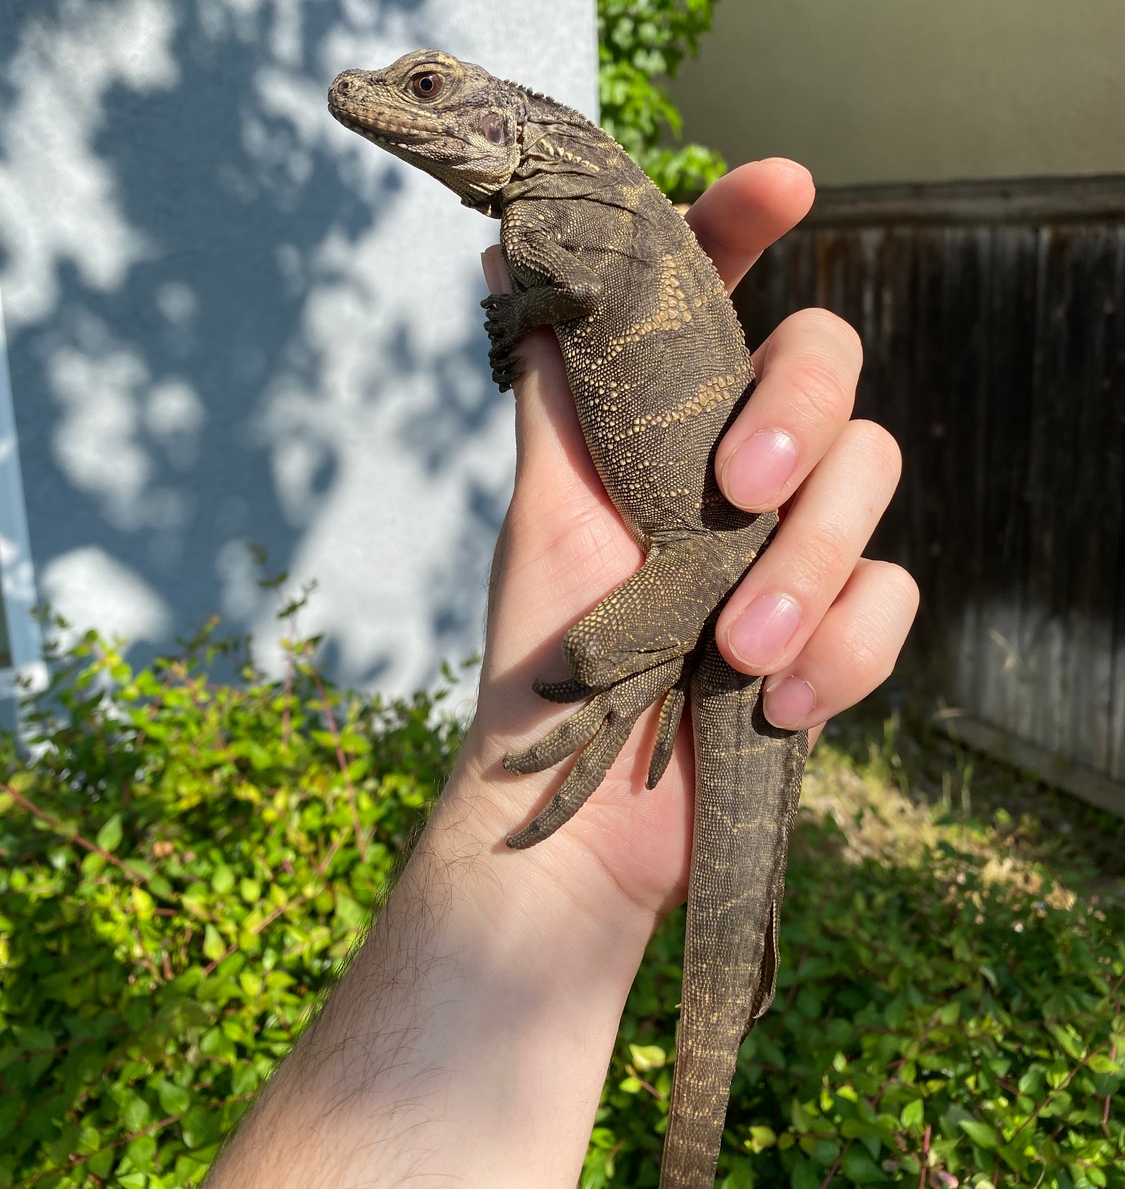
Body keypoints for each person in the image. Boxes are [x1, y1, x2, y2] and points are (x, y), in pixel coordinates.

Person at [207, 158, 918, 1189]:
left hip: (707, 577)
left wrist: (527, 313)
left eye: (428, 88)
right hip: (695, 578)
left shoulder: (559, 208)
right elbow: (572, 295)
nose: (388, 102)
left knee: (588, 657)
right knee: (593, 659)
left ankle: (638, 672)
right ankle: (643, 672)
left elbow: (576, 293)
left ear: (495, 120)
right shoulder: (563, 204)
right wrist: (552, 888)